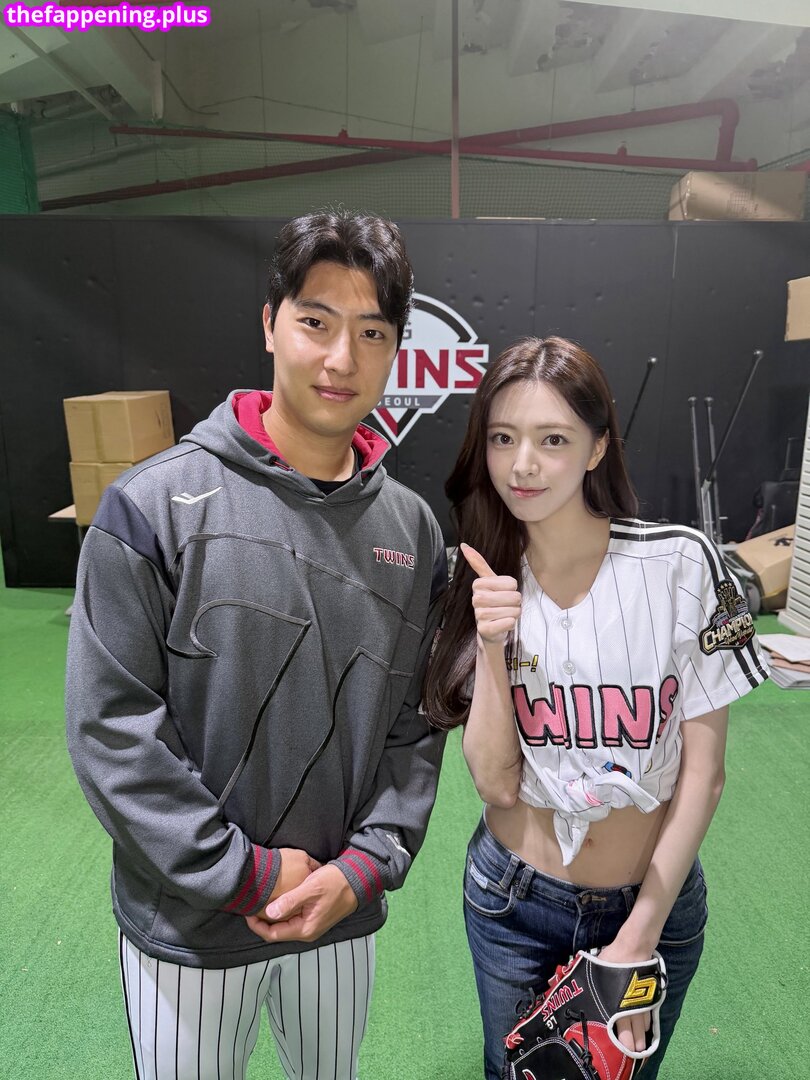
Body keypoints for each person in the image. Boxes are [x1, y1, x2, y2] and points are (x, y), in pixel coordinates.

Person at [66, 210, 448, 1080]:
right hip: (190, 931)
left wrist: (364, 868)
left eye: (372, 333)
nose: (341, 358)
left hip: (340, 916)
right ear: (271, 322)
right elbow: (112, 730)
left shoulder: (414, 530)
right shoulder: (149, 508)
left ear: (395, 351)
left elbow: (416, 727)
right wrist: (243, 874)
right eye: (316, 321)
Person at [424, 336, 768, 1080]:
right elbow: (495, 784)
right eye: (503, 439)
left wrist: (638, 936)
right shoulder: (483, 574)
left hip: (653, 904)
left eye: (552, 440)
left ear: (597, 447)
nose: (522, 465)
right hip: (514, 901)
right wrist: (493, 643)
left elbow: (704, 775)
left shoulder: (684, 565)